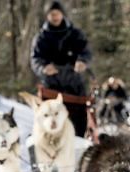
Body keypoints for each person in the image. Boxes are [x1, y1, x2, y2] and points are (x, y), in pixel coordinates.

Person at [31, 1, 92, 137]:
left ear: (62, 14)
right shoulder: (41, 38)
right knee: (51, 128)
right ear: (47, 16)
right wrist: (43, 68)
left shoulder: (76, 34)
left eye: (57, 13)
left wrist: (82, 61)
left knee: (78, 127)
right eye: (52, 14)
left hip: (75, 86)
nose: (55, 17)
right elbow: (35, 59)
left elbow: (86, 52)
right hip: (51, 87)